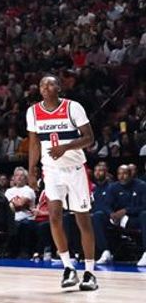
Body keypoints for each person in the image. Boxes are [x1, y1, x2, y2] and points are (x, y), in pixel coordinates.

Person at [26, 75, 98, 291]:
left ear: (59, 87)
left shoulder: (73, 107)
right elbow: (33, 143)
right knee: (54, 216)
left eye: (50, 84)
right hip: (51, 170)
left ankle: (90, 272)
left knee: (82, 220)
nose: (45, 87)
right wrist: (31, 170)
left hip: (75, 170)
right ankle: (68, 268)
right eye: (42, 85)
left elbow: (89, 138)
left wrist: (65, 148)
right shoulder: (33, 112)